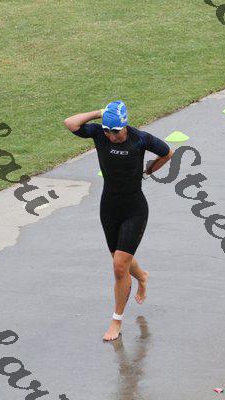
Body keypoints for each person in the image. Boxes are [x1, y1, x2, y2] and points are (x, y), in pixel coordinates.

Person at [64, 100, 173, 341]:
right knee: (119, 260)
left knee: (119, 266)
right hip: (109, 208)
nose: (111, 136)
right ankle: (142, 276)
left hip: (135, 209)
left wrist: (151, 169)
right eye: (107, 130)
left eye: (115, 131)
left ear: (125, 125)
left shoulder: (140, 139)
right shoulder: (99, 134)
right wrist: (100, 113)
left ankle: (116, 320)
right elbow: (70, 123)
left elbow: (167, 152)